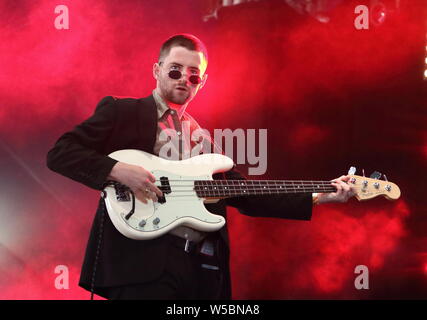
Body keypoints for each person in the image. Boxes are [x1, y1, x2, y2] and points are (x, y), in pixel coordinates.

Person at [46, 34, 355, 300]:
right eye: (175, 70)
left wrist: (321, 194)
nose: (184, 79)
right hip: (141, 264)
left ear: (202, 82)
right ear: (157, 70)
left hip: (197, 270)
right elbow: (61, 152)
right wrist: (116, 170)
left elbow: (245, 193)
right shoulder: (122, 111)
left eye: (193, 75)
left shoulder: (203, 140)